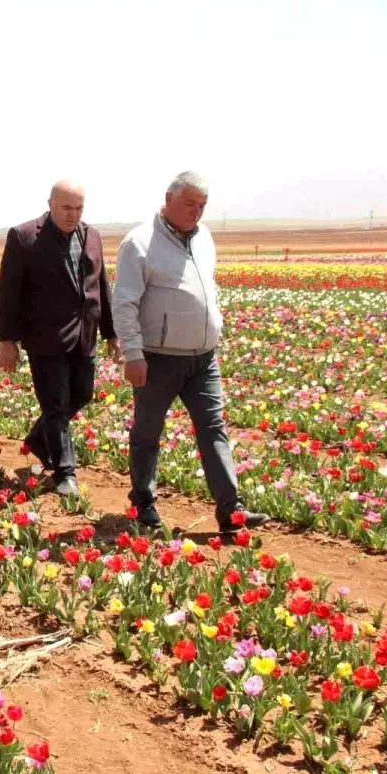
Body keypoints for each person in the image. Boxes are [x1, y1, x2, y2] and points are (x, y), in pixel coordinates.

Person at [112, 171, 269, 533]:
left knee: (214, 428)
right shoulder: (139, 243)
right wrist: (132, 353)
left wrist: (215, 326)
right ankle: (143, 504)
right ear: (168, 198)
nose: (196, 212)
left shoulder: (205, 238)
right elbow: (124, 303)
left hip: (203, 358)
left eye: (202, 206)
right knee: (148, 432)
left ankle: (231, 510)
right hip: (157, 359)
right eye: (189, 204)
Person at [0, 180, 121, 497]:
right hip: (45, 338)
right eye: (67, 207)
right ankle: (65, 474)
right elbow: (9, 292)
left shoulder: (91, 235)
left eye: (79, 208)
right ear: (50, 203)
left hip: (85, 335)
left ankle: (38, 440)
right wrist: (7, 339)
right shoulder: (25, 237)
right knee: (55, 405)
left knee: (83, 394)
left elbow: (100, 286)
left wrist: (111, 332)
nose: (73, 214)